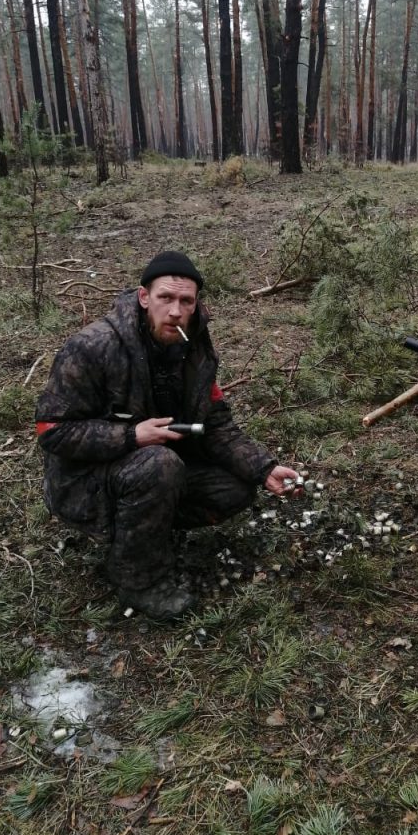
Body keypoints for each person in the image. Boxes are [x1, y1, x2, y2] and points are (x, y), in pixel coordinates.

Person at [36, 250, 300, 620]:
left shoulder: (195, 350)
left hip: (153, 472)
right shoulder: (94, 346)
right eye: (165, 298)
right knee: (158, 465)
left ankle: (145, 533)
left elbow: (216, 425)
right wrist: (130, 436)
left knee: (235, 487)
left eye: (185, 301)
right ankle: (136, 578)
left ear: (195, 305)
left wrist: (263, 467)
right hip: (83, 484)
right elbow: (52, 431)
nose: (175, 310)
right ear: (145, 298)